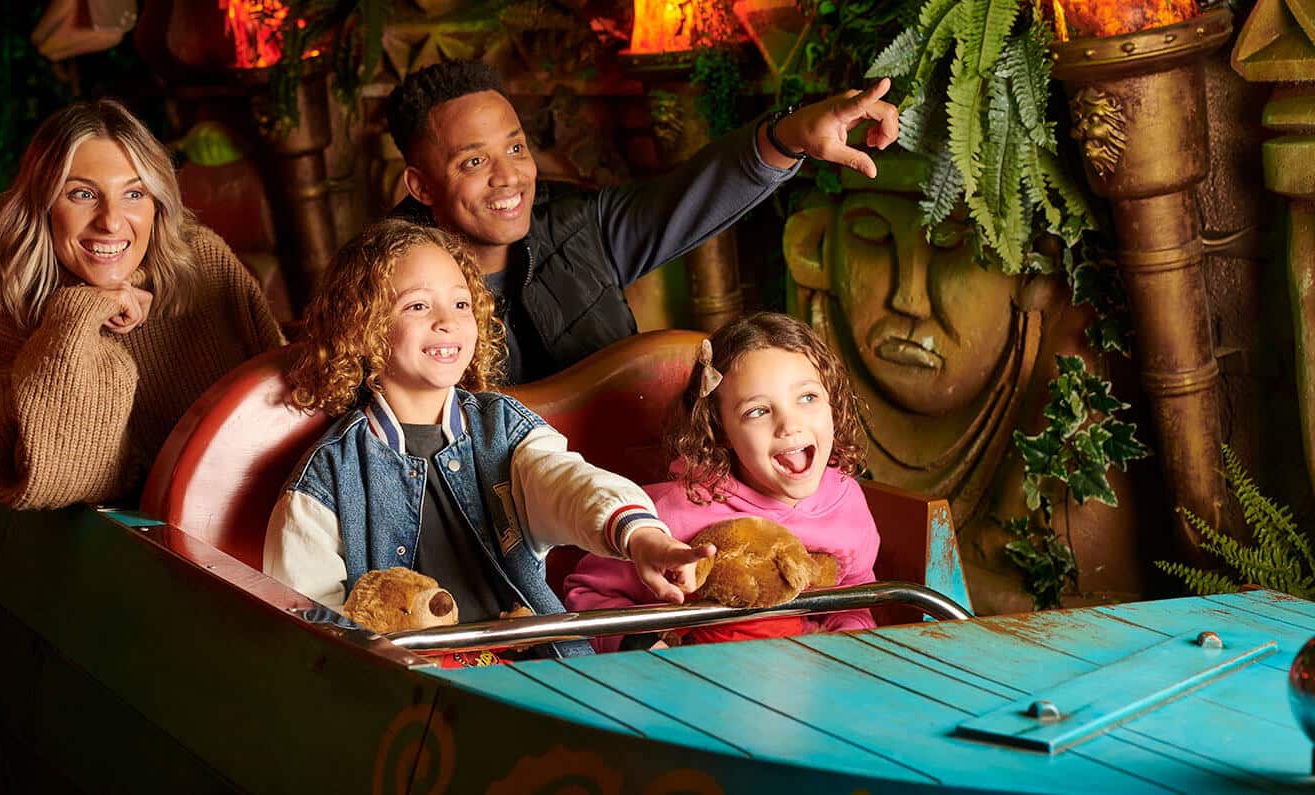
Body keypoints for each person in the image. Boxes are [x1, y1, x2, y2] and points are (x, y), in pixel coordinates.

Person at [262, 219, 713, 659]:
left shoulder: (503, 429)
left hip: (537, 663)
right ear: (362, 328)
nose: (446, 321)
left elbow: (569, 484)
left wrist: (643, 539)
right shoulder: (326, 477)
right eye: (418, 306)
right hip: (415, 695)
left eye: (461, 304)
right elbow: (307, 622)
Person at [385, 60, 899, 383]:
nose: (508, 177)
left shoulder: (581, 227)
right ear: (422, 185)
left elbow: (696, 192)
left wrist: (794, 136)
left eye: (515, 148)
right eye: (473, 162)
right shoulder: (384, 283)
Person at [0, 99, 284, 510]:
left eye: (134, 193)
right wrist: (80, 316)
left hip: (260, 521)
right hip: (124, 558)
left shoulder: (204, 265)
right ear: (41, 206)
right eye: (82, 194)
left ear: (157, 204)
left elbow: (287, 400)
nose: (111, 221)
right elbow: (59, 482)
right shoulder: (1, 322)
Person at [564, 311, 879, 648]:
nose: (790, 425)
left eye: (807, 397)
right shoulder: (672, 513)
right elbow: (586, 593)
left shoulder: (846, 501)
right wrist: (638, 646)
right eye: (757, 411)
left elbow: (856, 597)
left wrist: (846, 645)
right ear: (721, 431)